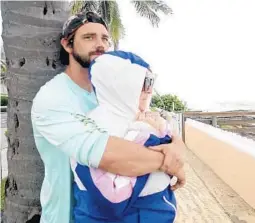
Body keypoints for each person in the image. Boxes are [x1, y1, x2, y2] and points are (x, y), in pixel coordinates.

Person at [31, 11, 186, 223]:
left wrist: (177, 146)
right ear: (67, 45)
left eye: (105, 38)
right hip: (66, 216)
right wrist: (171, 162)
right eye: (89, 37)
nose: (100, 44)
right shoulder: (53, 97)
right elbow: (107, 155)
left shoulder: (112, 93)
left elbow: (152, 122)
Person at [71, 50, 182, 222]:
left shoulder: (140, 117)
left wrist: (174, 146)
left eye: (151, 82)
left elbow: (174, 143)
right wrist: (150, 136)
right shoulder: (89, 127)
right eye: (144, 82)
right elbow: (112, 198)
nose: (149, 90)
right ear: (121, 84)